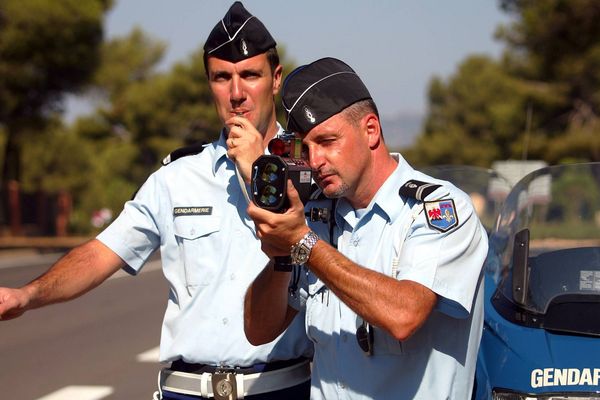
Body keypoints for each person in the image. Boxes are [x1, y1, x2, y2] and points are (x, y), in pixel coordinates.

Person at [0, 3, 313, 399]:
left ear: (275, 79)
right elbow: (102, 253)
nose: (236, 93)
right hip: (186, 391)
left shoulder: (309, 169)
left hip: (280, 388)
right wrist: (26, 295)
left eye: (250, 75)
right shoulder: (176, 178)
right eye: (222, 77)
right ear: (209, 84)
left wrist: (260, 168)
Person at [244, 57, 489, 399]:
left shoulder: (436, 209)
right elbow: (258, 329)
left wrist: (302, 242)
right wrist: (281, 256)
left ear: (371, 130)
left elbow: (403, 315)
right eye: (306, 147)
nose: (315, 161)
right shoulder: (315, 214)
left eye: (328, 141)